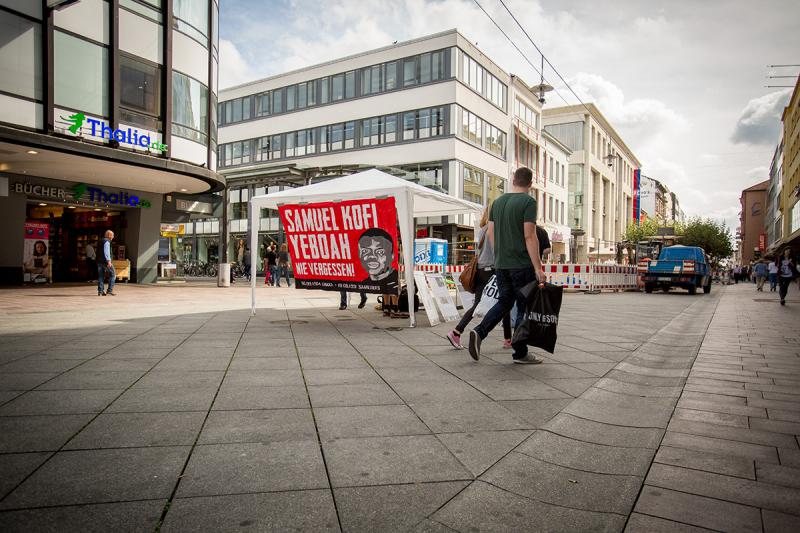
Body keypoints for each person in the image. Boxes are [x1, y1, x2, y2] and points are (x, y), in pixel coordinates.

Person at [467, 166, 546, 364]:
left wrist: (500, 256)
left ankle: (479, 331)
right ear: (530, 183)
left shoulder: (498, 202)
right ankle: (520, 353)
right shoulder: (528, 202)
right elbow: (529, 236)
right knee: (523, 306)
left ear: (513, 179)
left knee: (504, 302)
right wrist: (538, 268)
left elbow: (491, 233)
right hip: (521, 265)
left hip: (501, 265)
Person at [446, 205, 512, 350]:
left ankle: (457, 332)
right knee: (505, 301)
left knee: (497, 302)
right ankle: (507, 339)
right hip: (492, 271)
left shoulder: (483, 229)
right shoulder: (495, 229)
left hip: (481, 271)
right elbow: (497, 252)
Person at [97, 230, 116, 296]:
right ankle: (109, 290)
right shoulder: (107, 242)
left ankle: (100, 291)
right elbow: (106, 252)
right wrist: (109, 261)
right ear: (110, 235)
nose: (113, 237)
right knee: (113, 274)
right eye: (113, 235)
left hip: (99, 261)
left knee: (101, 276)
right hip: (105, 262)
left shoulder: (100, 241)